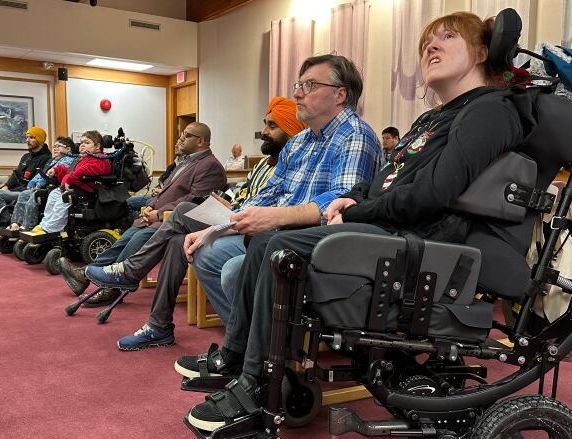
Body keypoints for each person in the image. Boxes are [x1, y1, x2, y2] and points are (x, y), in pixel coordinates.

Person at [178, 12, 526, 433]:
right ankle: (240, 361)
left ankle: (255, 384)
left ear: (483, 52)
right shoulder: (433, 119)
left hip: (423, 240)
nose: (430, 47)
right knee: (270, 238)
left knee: (280, 247)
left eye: (447, 38)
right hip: (394, 229)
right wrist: (353, 198)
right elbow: (383, 184)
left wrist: (355, 210)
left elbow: (433, 194)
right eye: (427, 42)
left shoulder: (490, 110)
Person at [88, 54, 382, 351]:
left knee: (199, 236)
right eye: (298, 84)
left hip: (308, 240)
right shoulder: (300, 142)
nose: (297, 93)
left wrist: (267, 218)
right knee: (193, 245)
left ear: (340, 94)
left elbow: (340, 205)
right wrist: (223, 226)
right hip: (269, 232)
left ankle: (246, 349)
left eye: (309, 85)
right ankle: (243, 347)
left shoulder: (354, 136)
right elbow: (269, 193)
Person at [61, 122, 227, 304]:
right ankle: (87, 275)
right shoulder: (188, 161)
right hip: (159, 216)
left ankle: (112, 288)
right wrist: (150, 207)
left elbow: (195, 200)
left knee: (137, 239)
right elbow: (164, 191)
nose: (181, 138)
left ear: (201, 141)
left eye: (186, 135)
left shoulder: (211, 166)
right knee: (125, 238)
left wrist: (158, 212)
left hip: (175, 222)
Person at [25, 131, 111, 235]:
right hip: (73, 188)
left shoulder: (100, 159)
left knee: (61, 202)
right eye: (81, 142)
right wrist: (58, 170)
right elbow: (72, 171)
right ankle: (44, 225)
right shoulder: (82, 158)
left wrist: (69, 179)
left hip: (86, 192)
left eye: (87, 142)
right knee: (52, 195)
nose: (82, 145)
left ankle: (51, 230)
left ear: (97, 147)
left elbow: (83, 171)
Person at [0, 126, 51, 229]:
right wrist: (6, 186)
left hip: (26, 191)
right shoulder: (26, 156)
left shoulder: (46, 158)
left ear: (40, 140)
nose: (27, 140)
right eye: (27, 137)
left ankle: (7, 225)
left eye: (31, 137)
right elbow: (16, 175)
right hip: (15, 189)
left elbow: (37, 180)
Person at [6, 136, 78, 231]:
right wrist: (32, 182)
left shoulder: (68, 160)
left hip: (54, 187)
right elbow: (42, 173)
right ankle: (16, 223)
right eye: (54, 146)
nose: (55, 148)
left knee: (34, 196)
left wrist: (39, 183)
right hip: (45, 187)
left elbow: (50, 176)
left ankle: (28, 226)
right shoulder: (54, 160)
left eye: (58, 146)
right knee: (24, 194)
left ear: (68, 149)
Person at [126, 141, 186, 215]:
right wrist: (156, 189)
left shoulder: (186, 168)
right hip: (157, 196)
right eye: (176, 143)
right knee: (125, 202)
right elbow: (162, 181)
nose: (176, 145)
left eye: (180, 143)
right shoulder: (172, 166)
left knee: (129, 203)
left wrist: (163, 191)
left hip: (166, 199)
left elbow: (178, 190)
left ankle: (141, 219)